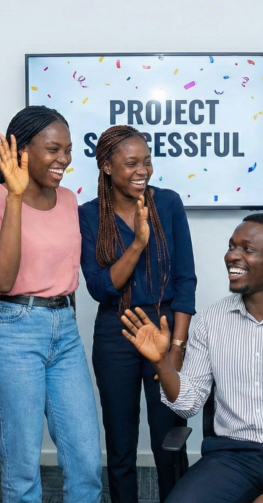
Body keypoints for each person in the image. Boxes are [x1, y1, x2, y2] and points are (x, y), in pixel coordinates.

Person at [123, 213, 263, 503]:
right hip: (230, 456)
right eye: (231, 247)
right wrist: (162, 362)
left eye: (247, 249)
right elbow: (188, 405)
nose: (233, 257)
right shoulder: (209, 320)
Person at [0, 106, 102, 503]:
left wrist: (66, 321)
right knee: (23, 462)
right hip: (12, 330)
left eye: (68, 150)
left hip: (63, 329)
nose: (63, 159)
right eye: (52, 149)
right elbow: (3, 279)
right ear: (20, 150)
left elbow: (67, 274)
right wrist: (14, 196)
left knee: (86, 457)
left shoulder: (67, 199)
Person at [79, 125, 196, 503]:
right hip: (117, 330)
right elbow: (99, 287)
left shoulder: (168, 203)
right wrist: (139, 243)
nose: (142, 170)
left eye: (146, 161)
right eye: (131, 163)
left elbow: (185, 280)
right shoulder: (89, 215)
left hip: (164, 326)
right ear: (107, 166)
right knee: (120, 438)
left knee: (169, 439)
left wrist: (176, 348)